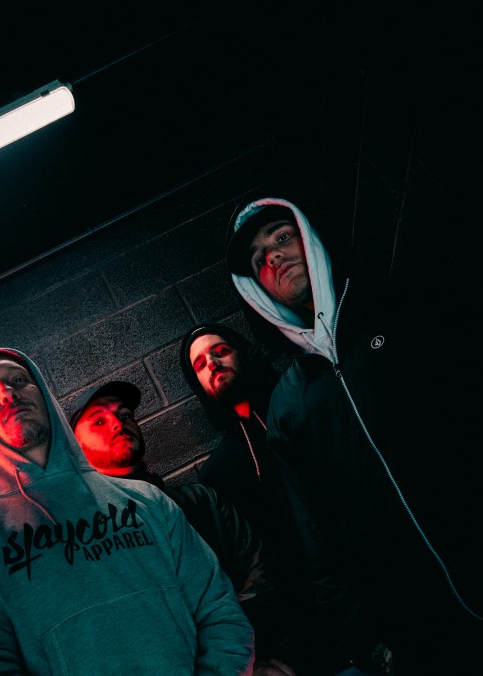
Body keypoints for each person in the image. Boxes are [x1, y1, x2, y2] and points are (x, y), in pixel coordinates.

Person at [225, 195, 483, 674]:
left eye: (282, 237)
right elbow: (315, 536)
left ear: (311, 239)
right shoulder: (288, 404)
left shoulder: (398, 308)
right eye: (260, 260)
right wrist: (365, 639)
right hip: (415, 620)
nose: (273, 256)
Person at [0, 347, 255, 675]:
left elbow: (219, 610)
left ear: (43, 391)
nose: (8, 393)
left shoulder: (147, 501)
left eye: (18, 380)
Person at [180, 323, 390, 676]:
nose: (212, 363)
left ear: (243, 354)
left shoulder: (300, 408)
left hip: (372, 587)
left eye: (220, 351)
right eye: (200, 364)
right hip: (305, 636)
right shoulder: (217, 473)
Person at [68, 379, 297, 676]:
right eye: (98, 421)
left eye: (125, 414)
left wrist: (247, 655)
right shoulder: (90, 540)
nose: (117, 423)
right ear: (75, 448)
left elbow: (258, 572)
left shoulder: (201, 501)